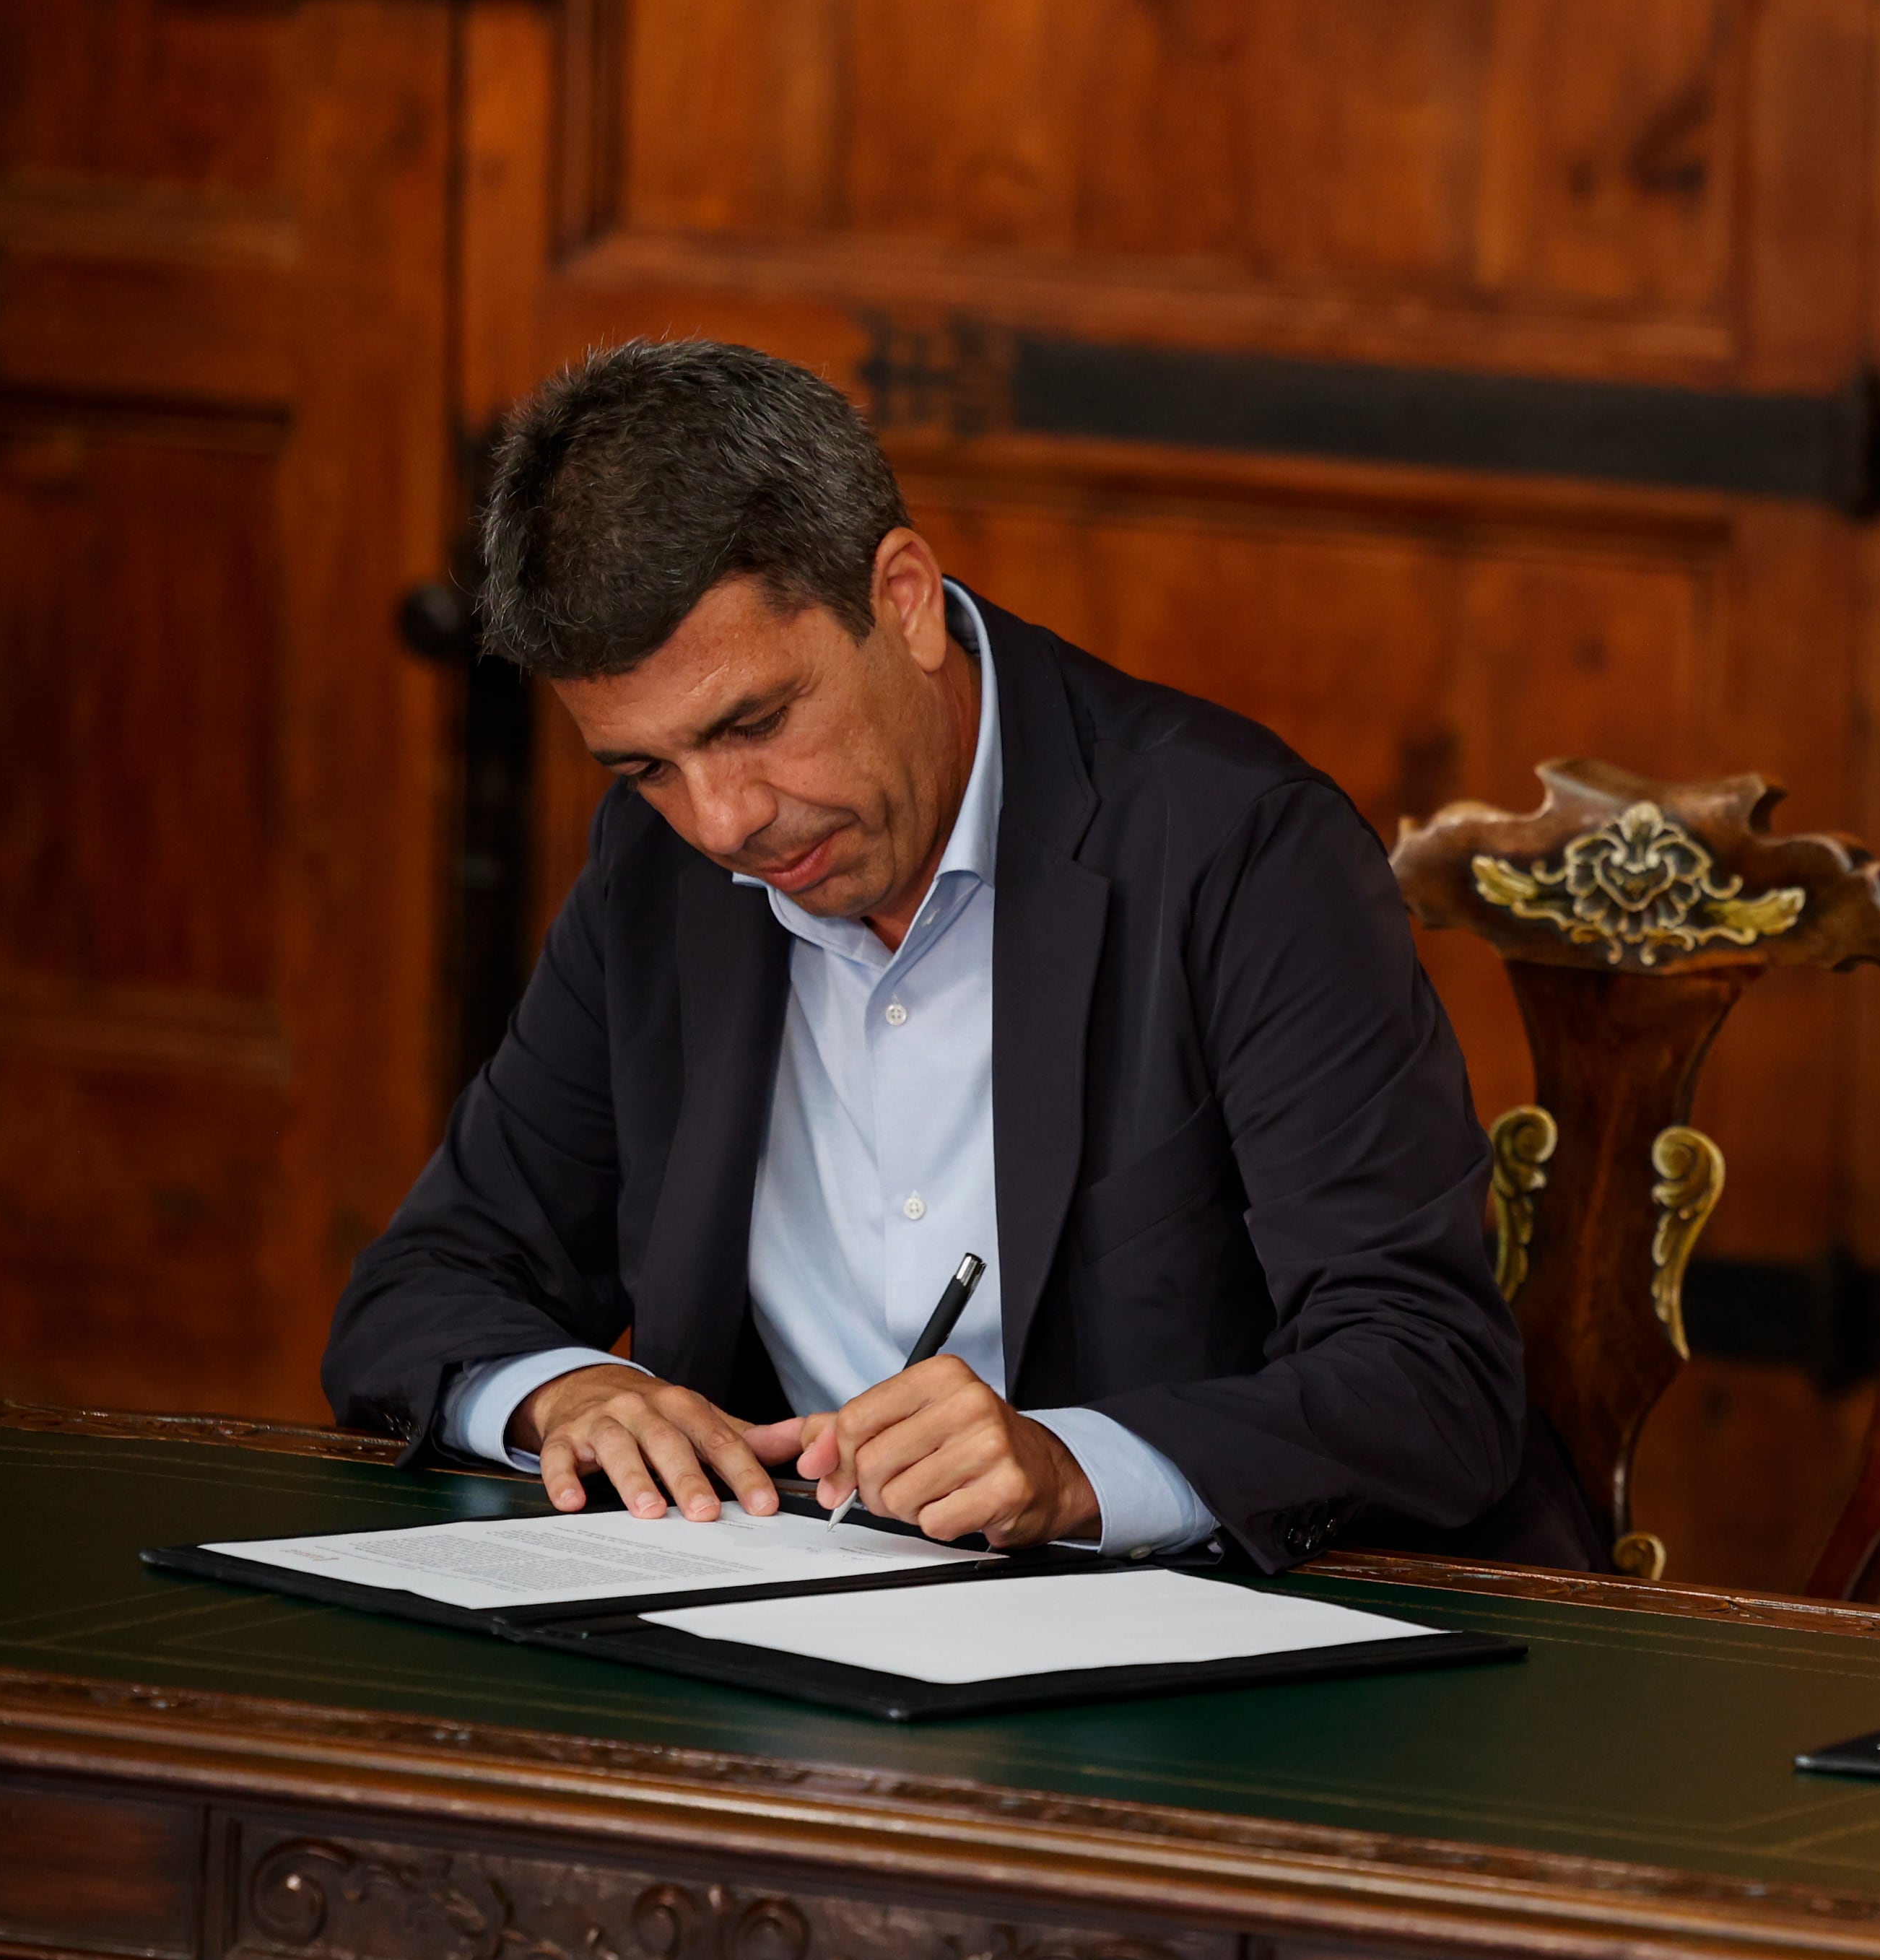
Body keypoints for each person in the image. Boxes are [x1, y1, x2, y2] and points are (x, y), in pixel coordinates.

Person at [326, 339, 1595, 1571]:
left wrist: (1074, 1465)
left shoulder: (1236, 846)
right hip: (790, 1660)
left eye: (757, 723)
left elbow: (1430, 1373)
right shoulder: (662, 871)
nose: (724, 821)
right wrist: (571, 1391)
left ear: (905, 600)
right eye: (649, 766)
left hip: (1201, 1667)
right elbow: (422, 1285)